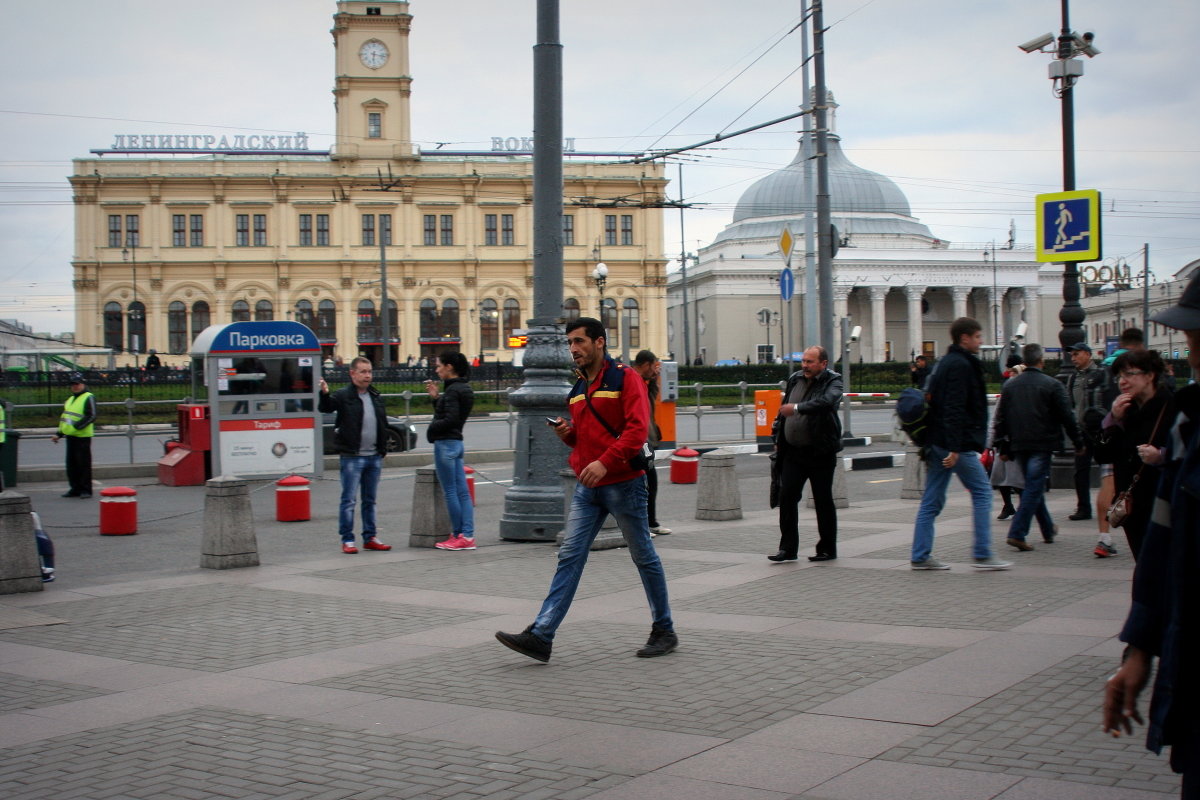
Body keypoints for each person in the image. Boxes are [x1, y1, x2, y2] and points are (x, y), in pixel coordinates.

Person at [495, 317, 676, 662]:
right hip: (588, 487)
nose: (573, 349)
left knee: (643, 557)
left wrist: (605, 462)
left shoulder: (625, 378)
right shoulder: (577, 389)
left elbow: (637, 431)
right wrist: (569, 435)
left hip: (624, 484)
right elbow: (586, 436)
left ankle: (664, 629)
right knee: (569, 556)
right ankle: (542, 635)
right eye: (570, 343)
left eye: (579, 342)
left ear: (599, 342)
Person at [1102, 271, 1200, 798]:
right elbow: (1166, 550)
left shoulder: (1179, 417)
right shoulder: (1192, 423)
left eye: (1193, 331)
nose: (1189, 342)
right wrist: (1139, 648)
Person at [909, 318, 1011, 571]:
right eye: (977, 336)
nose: (980, 341)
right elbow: (954, 408)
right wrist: (955, 448)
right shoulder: (961, 365)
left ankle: (921, 555)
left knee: (932, 500)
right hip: (954, 444)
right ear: (964, 338)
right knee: (982, 492)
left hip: (939, 440)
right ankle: (983, 552)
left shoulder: (945, 362)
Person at [994, 343, 1085, 552]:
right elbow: (1067, 417)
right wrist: (1078, 442)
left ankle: (1047, 529)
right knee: (1033, 487)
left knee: (1032, 487)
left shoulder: (1010, 386)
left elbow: (1001, 419)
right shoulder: (1052, 385)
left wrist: (1003, 447)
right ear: (1041, 361)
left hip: (1019, 444)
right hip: (1042, 444)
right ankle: (1017, 533)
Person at [1092, 348, 1175, 561]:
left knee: (1162, 563)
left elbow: (1187, 454)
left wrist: (1161, 455)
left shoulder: (1172, 408)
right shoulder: (1125, 411)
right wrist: (1112, 420)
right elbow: (1102, 455)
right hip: (1131, 503)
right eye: (1120, 376)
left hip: (1163, 501)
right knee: (1144, 561)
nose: (1122, 381)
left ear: (1150, 375)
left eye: (1130, 374)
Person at [769, 345, 843, 562]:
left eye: (810, 362)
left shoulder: (833, 381)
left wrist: (798, 408)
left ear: (823, 363)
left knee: (822, 500)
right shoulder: (795, 378)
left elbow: (826, 402)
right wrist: (777, 436)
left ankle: (827, 549)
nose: (805, 366)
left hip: (820, 451)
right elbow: (784, 409)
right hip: (793, 452)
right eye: (804, 361)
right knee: (787, 496)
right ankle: (788, 549)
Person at [318, 357, 392, 554]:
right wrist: (324, 394)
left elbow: (382, 422)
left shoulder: (375, 395)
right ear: (352, 373)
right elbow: (325, 408)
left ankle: (370, 537)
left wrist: (382, 448)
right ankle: (347, 539)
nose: (367, 375)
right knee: (349, 499)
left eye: (369, 371)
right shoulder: (343, 395)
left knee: (370, 500)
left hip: (374, 456)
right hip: (352, 456)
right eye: (363, 372)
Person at [425, 351, 476, 551]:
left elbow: (450, 419)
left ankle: (457, 534)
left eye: (439, 366)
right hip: (456, 443)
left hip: (445, 443)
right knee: (462, 492)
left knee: (451, 492)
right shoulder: (463, 388)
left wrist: (432, 428)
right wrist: (437, 399)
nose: (437, 370)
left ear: (449, 367)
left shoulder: (453, 390)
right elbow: (453, 415)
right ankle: (468, 535)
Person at [1065, 342, 1107, 523]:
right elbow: (1070, 405)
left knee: (1108, 468)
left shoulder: (1101, 374)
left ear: (1088, 354)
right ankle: (1083, 507)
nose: (1073, 358)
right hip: (1082, 431)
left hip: (1100, 430)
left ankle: (1113, 502)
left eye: (1077, 354)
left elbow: (1107, 400)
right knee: (1080, 470)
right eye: (1072, 355)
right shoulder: (1073, 378)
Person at [633, 350, 671, 536]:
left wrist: (654, 382)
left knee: (650, 483)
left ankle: (651, 522)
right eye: (653, 366)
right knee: (641, 484)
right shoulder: (632, 381)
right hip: (636, 441)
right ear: (646, 364)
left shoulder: (644, 384)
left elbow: (650, 402)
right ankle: (643, 526)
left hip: (646, 441)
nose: (654, 370)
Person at [988, 363, 1025, 520]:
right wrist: (989, 443)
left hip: (1018, 443)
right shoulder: (1005, 395)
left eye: (1015, 374)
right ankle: (1008, 505)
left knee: (1017, 479)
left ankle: (1023, 507)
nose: (1011, 377)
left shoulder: (1024, 395)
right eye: (1010, 374)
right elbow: (995, 419)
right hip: (1003, 442)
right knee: (1000, 476)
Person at [52, 373, 96, 499]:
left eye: (77, 384)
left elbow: (92, 415)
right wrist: (59, 434)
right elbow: (65, 418)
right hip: (71, 436)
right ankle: (75, 488)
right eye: (73, 384)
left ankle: (86, 489)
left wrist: (77, 427)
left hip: (82, 437)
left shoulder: (89, 397)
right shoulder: (70, 399)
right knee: (71, 465)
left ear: (83, 384)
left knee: (83, 464)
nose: (75, 386)